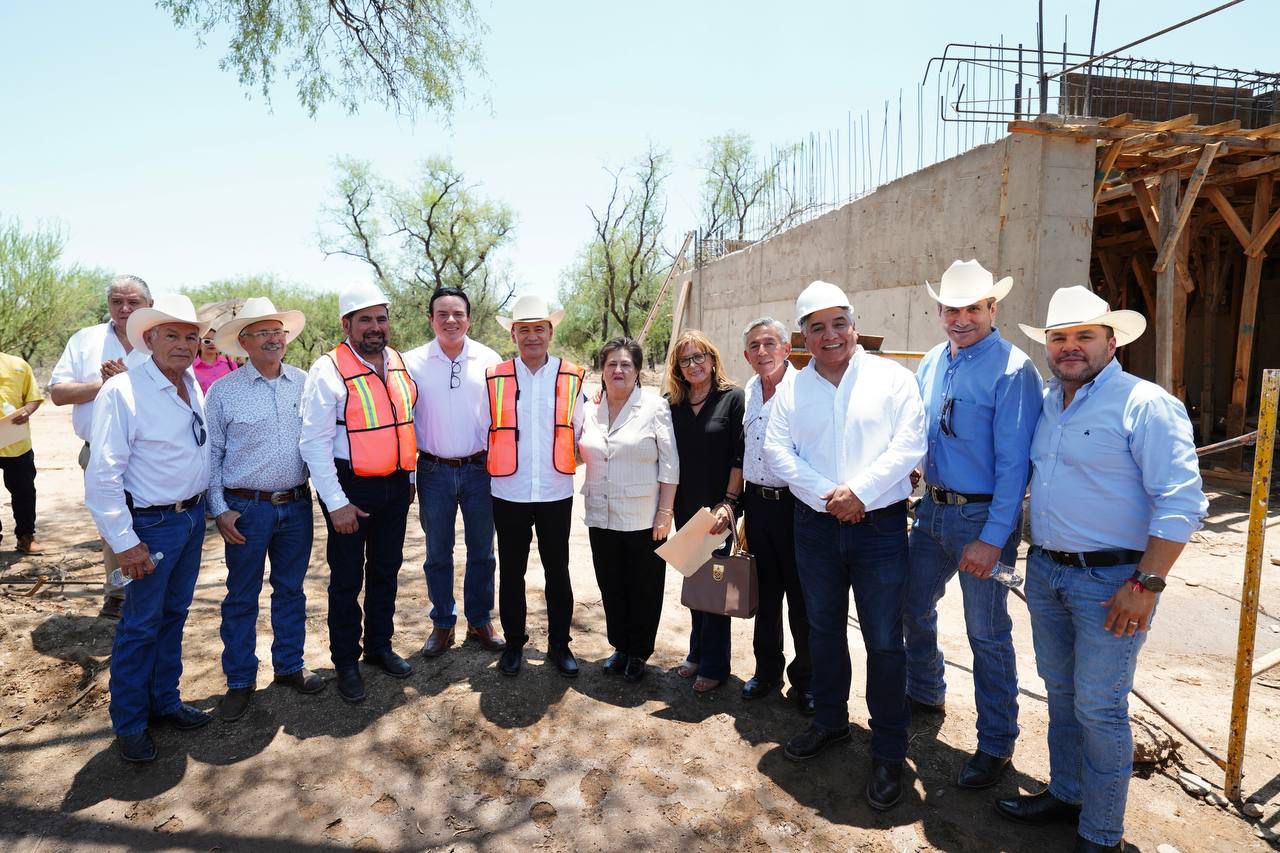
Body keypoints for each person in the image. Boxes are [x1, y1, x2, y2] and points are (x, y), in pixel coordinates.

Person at [996, 286, 1208, 853]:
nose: (1070, 347)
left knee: (1099, 706)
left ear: (1111, 342)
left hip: (1113, 582)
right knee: (1061, 693)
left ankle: (1102, 832)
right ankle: (1067, 794)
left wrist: (1147, 583)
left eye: (1084, 336)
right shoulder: (1048, 402)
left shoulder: (1145, 404)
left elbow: (1181, 502)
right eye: (1059, 337)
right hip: (1048, 571)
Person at [764, 280, 926, 811]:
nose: (830, 335)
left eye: (839, 323)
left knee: (884, 640)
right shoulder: (792, 390)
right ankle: (831, 721)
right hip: (815, 528)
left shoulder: (892, 379)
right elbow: (777, 452)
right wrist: (830, 496)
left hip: (879, 530)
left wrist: (860, 493)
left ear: (854, 325)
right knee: (823, 630)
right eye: (817, 327)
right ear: (803, 336)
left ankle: (888, 749)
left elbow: (910, 444)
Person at [902, 260, 1044, 789]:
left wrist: (992, 539)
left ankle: (997, 742)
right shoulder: (933, 360)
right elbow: (921, 433)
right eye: (951, 309)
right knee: (910, 604)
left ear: (992, 308)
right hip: (932, 509)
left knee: (986, 631)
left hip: (983, 515)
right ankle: (925, 691)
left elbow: (1015, 466)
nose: (961, 319)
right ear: (940, 311)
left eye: (972, 309)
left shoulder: (1013, 369)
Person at [84, 294, 215, 763]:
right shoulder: (123, 391)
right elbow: (103, 476)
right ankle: (131, 723)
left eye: (190, 337)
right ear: (149, 338)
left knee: (174, 614)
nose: (183, 345)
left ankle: (165, 701)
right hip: (150, 527)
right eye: (172, 335)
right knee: (140, 626)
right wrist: (125, 544)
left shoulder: (190, 382)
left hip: (190, 519)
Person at [206, 298, 325, 722]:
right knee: (242, 596)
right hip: (246, 509)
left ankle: (290, 665)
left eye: (278, 332)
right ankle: (240, 680)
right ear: (244, 342)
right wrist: (220, 509)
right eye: (263, 333)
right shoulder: (223, 391)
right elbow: (212, 454)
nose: (274, 339)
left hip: (295, 505)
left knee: (291, 589)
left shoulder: (304, 383)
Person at [299, 285, 418, 703]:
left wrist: (410, 477)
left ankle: (379, 646)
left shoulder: (398, 362)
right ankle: (346, 661)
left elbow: (406, 422)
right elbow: (313, 442)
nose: (375, 327)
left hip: (395, 485)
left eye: (381, 318)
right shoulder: (327, 369)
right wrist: (336, 504)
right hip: (350, 489)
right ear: (346, 324)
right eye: (364, 319)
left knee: (386, 570)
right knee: (347, 578)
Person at [487, 294, 587, 678]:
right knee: (511, 572)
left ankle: (560, 645)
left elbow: (583, 430)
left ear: (550, 333)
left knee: (557, 571)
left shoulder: (572, 377)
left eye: (539, 329)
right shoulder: (494, 378)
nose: (532, 336)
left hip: (554, 491)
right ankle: (514, 644)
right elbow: (484, 430)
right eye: (524, 329)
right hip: (508, 491)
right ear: (512, 335)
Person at [403, 287, 505, 659]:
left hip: (480, 469)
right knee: (437, 553)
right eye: (442, 314)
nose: (451, 320)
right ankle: (443, 622)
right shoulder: (410, 362)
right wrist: (408, 476)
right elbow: (402, 420)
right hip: (433, 470)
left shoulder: (489, 359)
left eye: (458, 313)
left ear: (469, 318)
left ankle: (480, 620)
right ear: (430, 319)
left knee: (483, 551)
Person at [48, 274, 153, 618]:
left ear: (149, 305)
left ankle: (151, 591)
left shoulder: (162, 339)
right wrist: (104, 384)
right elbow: (58, 393)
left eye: (133, 302)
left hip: (155, 452)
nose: (124, 309)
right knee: (112, 522)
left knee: (156, 520)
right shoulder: (85, 340)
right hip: (100, 450)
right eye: (116, 301)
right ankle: (118, 593)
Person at [579, 337, 678, 683]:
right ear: (601, 370)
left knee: (644, 587)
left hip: (644, 517)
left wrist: (665, 512)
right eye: (611, 364)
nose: (618, 370)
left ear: (637, 371)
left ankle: (639, 652)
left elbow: (670, 464)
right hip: (601, 513)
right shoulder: (589, 409)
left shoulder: (654, 407)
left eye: (626, 364)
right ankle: (620, 646)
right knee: (611, 584)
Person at [738, 318, 812, 713]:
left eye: (770, 343)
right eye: (754, 346)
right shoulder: (749, 391)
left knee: (801, 597)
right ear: (746, 355)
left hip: (794, 505)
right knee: (765, 594)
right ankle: (767, 671)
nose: (762, 351)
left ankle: (807, 681)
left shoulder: (803, 390)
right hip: (756, 504)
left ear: (786, 348)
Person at [665, 330, 743, 694]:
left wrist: (729, 502)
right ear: (677, 368)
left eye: (699, 357)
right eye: (685, 360)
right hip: (685, 508)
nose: (693, 365)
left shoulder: (732, 398)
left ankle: (715, 665)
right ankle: (696, 652)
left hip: (718, 510)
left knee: (715, 585)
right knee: (695, 581)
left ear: (712, 360)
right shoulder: (672, 404)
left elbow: (739, 456)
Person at [0, 351, 44, 554]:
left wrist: (27, 411)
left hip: (16, 443)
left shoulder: (18, 364)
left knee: (24, 492)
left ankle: (26, 536)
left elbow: (33, 398)